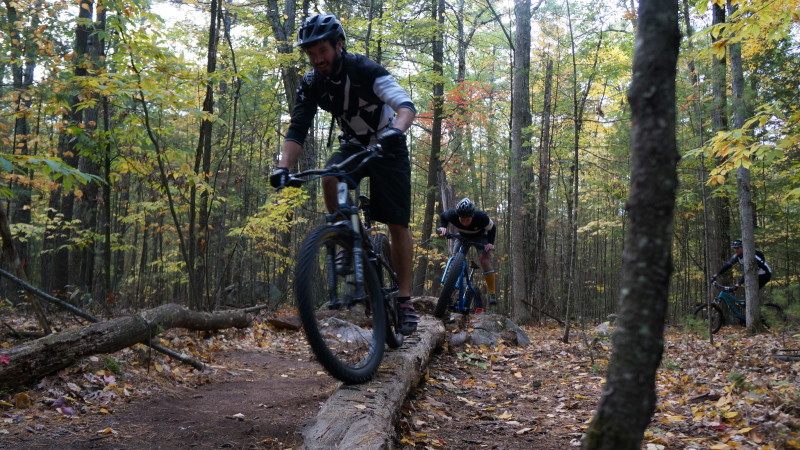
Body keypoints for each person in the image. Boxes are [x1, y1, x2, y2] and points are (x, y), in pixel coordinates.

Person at [269, 13, 418, 335]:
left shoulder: (365, 69)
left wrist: (397, 130)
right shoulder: (311, 83)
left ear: (339, 45)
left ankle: (405, 300)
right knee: (329, 176)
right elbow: (297, 130)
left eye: (322, 51)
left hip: (388, 143)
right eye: (310, 54)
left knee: (397, 223)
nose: (317, 59)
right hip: (352, 144)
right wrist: (283, 167)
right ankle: (343, 241)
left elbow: (405, 105)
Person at [437, 198, 498, 305]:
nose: (465, 222)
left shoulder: (481, 217)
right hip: (462, 236)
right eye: (462, 219)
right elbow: (443, 216)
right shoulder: (452, 214)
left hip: (480, 237)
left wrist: (490, 243)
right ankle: (448, 291)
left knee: (484, 261)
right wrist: (443, 227)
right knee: (454, 259)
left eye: (467, 220)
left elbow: (492, 228)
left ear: (472, 216)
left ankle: (492, 294)